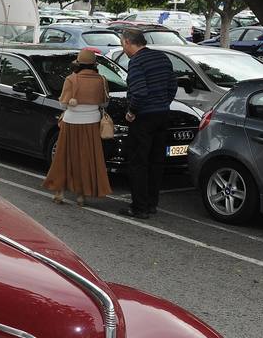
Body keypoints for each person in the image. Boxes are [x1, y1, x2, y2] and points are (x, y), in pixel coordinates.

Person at [42, 49, 112, 206]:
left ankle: (59, 192)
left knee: (64, 157)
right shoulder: (102, 80)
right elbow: (104, 103)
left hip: (72, 121)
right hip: (92, 122)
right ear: (94, 64)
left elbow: (63, 103)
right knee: (86, 158)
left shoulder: (71, 79)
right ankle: (81, 195)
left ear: (78, 64)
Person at [121, 29, 177, 218]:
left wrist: (131, 112)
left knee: (138, 162)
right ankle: (152, 204)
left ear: (128, 42)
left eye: (123, 44)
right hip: (162, 114)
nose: (123, 48)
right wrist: (163, 103)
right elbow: (172, 86)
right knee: (156, 162)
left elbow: (139, 92)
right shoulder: (161, 58)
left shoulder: (136, 62)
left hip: (143, 117)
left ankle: (139, 207)